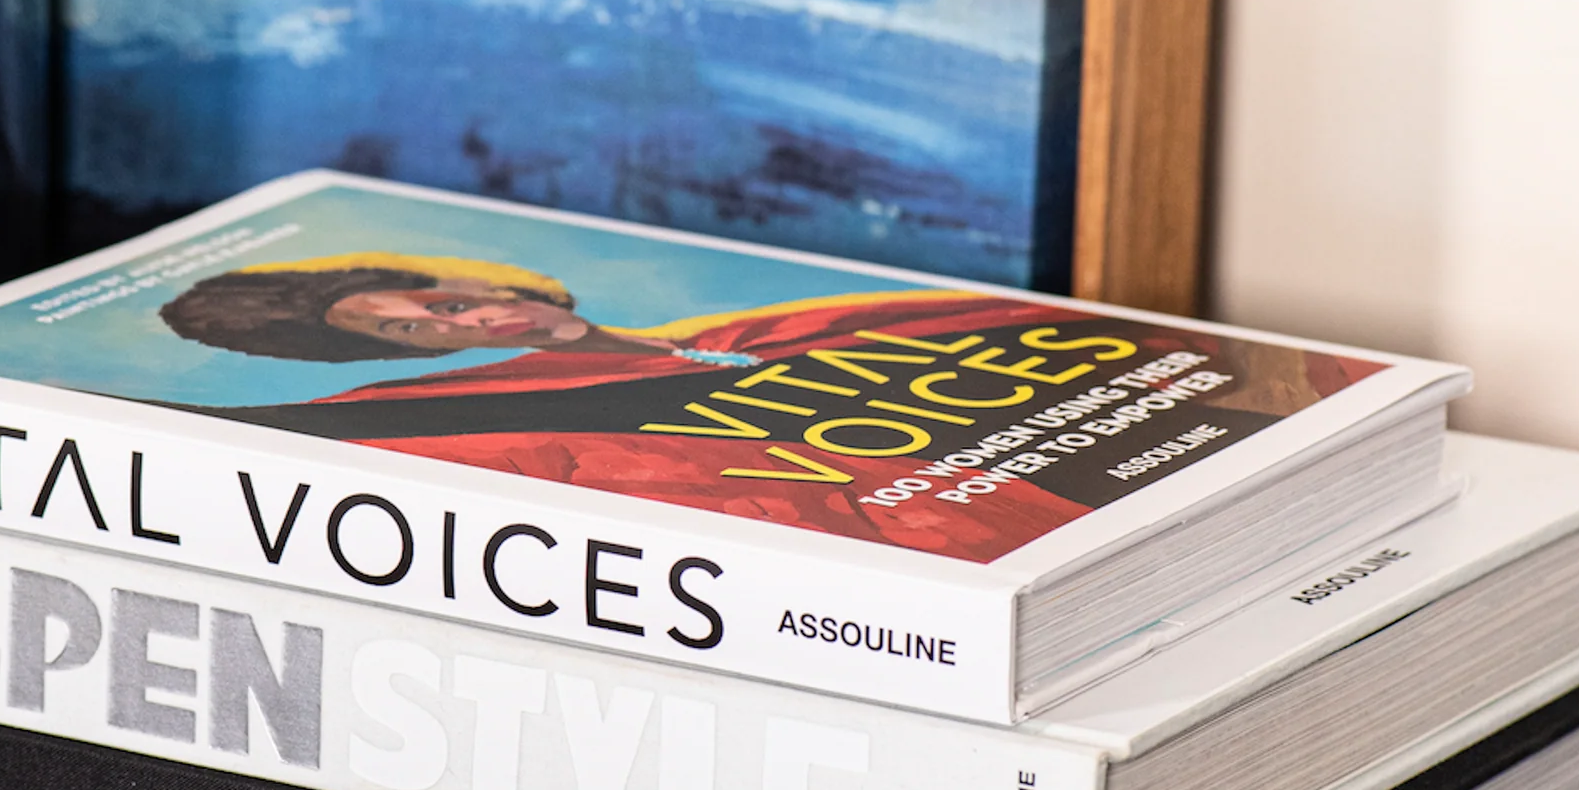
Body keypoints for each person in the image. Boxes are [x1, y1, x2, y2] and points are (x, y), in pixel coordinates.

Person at [156, 251, 1368, 562]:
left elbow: (1141, 350)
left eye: (429, 297)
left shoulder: (770, 331)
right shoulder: (506, 423)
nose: (456, 319)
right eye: (408, 333)